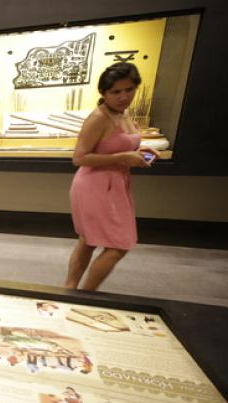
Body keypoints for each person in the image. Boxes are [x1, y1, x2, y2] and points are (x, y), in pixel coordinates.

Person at [65, 62, 159, 290]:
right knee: (119, 245)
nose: (123, 97)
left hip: (116, 184)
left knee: (89, 240)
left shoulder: (123, 113)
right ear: (104, 93)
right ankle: (86, 296)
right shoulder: (98, 118)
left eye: (129, 90)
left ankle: (69, 290)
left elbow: (115, 145)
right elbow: (79, 157)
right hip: (95, 185)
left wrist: (138, 152)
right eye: (116, 92)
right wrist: (123, 156)